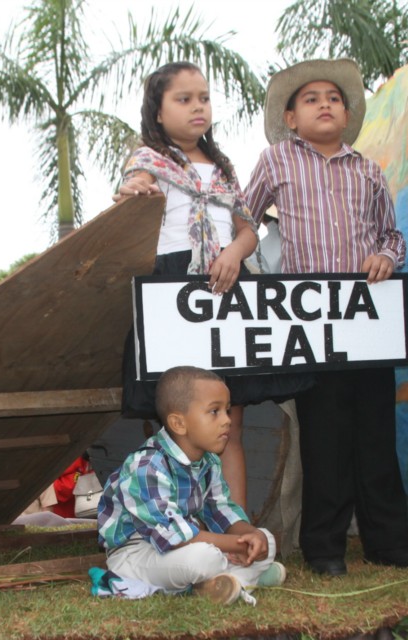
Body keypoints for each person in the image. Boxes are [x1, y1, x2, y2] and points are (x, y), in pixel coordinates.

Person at [244, 58, 408, 576]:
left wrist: (387, 258)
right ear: (290, 118)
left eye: (333, 97)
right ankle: (325, 548)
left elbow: (391, 235)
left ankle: (388, 543)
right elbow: (243, 217)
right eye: (311, 98)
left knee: (376, 433)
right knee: (324, 436)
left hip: (367, 321)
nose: (324, 103)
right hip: (308, 324)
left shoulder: (368, 171)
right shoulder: (276, 161)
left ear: (347, 113)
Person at [114, 61, 312, 510]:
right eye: (183, 99)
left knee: (228, 421)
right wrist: (134, 189)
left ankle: (236, 526)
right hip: (172, 291)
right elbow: (136, 184)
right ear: (158, 112)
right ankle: (180, 523)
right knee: (177, 422)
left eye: (203, 98)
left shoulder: (222, 168)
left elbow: (247, 229)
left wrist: (232, 254)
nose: (197, 107)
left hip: (226, 291)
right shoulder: (149, 160)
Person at [98, 366, 285, 605]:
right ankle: (242, 578)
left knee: (266, 541)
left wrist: (250, 536)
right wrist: (236, 546)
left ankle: (226, 583)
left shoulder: (209, 463)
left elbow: (222, 511)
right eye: (214, 412)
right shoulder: (147, 466)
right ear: (179, 423)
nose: (227, 421)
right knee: (204, 558)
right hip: (136, 554)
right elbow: (174, 536)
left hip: (181, 549)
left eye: (227, 411)